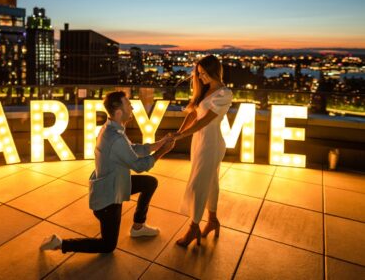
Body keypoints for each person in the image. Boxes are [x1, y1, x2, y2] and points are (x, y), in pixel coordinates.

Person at [40, 91, 175, 253]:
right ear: (119, 112)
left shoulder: (113, 128)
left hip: (115, 184)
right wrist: (163, 151)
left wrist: (159, 143)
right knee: (108, 246)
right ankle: (60, 243)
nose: (132, 106)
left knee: (149, 183)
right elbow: (139, 166)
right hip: (108, 200)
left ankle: (138, 227)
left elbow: (132, 149)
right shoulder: (115, 137)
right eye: (128, 104)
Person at [169, 55, 232, 247]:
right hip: (199, 141)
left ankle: (193, 227)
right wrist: (179, 133)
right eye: (199, 74)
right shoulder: (204, 90)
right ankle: (212, 220)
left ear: (214, 71)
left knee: (198, 185)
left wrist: (182, 136)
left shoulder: (224, 93)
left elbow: (205, 120)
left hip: (211, 143)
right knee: (210, 182)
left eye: (204, 73)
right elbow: (194, 114)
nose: (201, 77)